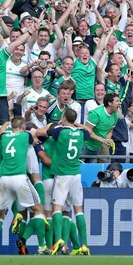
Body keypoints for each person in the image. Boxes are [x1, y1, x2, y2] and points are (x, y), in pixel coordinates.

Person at [0, 116, 49, 256]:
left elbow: (2, 131)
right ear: (23, 128)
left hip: (4, 179)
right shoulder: (25, 136)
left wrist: (6, 122)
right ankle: (42, 246)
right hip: (19, 178)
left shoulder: (4, 137)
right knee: (38, 209)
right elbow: (36, 135)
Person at [49, 108, 91, 256]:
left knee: (57, 209)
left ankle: (59, 239)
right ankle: (85, 245)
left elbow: (48, 132)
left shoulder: (59, 131)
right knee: (78, 210)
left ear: (64, 117)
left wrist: (63, 123)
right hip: (76, 175)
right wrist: (75, 124)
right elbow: (88, 131)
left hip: (62, 175)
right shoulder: (81, 133)